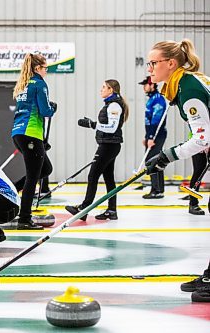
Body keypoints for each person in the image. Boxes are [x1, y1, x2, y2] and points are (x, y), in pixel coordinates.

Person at [142, 39, 209, 302]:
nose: (150, 68)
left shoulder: (188, 88)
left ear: (171, 64)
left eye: (153, 63)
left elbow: (202, 137)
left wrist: (166, 155)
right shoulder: (186, 83)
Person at [65, 79, 129, 221]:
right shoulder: (111, 104)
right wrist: (94, 124)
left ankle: (84, 209)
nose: (101, 90)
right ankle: (112, 210)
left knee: (93, 175)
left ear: (111, 90)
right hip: (110, 145)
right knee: (108, 178)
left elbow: (112, 128)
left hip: (108, 145)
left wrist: (91, 124)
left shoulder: (114, 105)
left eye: (104, 87)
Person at [11, 53, 56, 229]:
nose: (46, 71)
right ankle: (24, 218)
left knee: (46, 168)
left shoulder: (23, 84)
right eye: (45, 68)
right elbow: (45, 111)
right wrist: (52, 108)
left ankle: (13, 188)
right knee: (32, 177)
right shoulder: (39, 84)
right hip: (30, 133)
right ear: (37, 68)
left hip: (18, 132)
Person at [138, 76, 167, 199]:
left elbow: (156, 120)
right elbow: (148, 121)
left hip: (157, 134)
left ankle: (157, 190)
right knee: (153, 161)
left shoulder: (158, 99)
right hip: (152, 134)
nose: (144, 87)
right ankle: (157, 189)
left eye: (146, 84)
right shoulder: (151, 99)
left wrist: (151, 137)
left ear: (152, 85)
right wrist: (147, 136)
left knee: (152, 161)